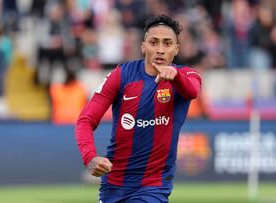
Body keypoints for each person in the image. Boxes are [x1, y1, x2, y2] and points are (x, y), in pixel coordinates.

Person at [75, 15, 202, 203]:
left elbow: (192, 91)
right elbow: (85, 120)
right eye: (153, 42)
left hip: (154, 185)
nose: (160, 49)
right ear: (143, 46)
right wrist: (90, 157)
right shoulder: (121, 76)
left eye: (167, 44)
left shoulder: (187, 76)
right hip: (114, 184)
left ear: (176, 49)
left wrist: (175, 76)